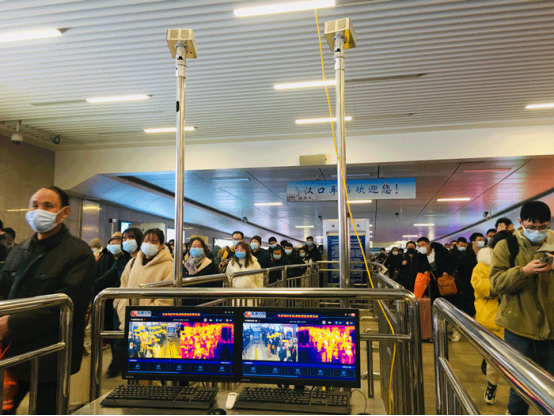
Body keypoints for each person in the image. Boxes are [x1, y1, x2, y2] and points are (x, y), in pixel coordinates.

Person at [0, 187, 95, 415]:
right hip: (13, 351)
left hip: (50, 357)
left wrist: (10, 324)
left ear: (64, 212)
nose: (38, 211)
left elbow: (67, 306)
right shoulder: (20, 250)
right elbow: (5, 289)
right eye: (34, 205)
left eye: (48, 206)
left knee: (46, 410)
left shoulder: (78, 253)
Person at [490, 201, 554, 416]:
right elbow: (497, 283)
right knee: (520, 386)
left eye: (543, 227)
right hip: (518, 327)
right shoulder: (506, 246)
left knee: (551, 387)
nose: (537, 231)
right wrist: (523, 271)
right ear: (520, 222)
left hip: (552, 328)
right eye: (531, 227)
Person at [94, 228, 141, 378]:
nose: (126, 242)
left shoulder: (142, 260)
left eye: (130, 238)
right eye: (125, 239)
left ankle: (123, 364)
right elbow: (110, 276)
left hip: (136, 305)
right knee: (116, 336)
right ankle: (117, 364)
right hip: (120, 303)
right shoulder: (123, 260)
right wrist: (91, 286)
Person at [471, 230, 511, 406]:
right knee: (494, 359)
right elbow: (481, 287)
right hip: (492, 318)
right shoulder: (482, 266)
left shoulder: (519, 263)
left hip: (517, 318)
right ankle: (492, 385)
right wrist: (507, 282)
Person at [114, 229, 174, 330]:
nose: (148, 244)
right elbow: (123, 284)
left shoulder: (168, 266)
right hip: (125, 318)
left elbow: (166, 299)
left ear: (161, 245)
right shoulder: (133, 262)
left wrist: (147, 311)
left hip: (149, 324)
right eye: (146, 241)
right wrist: (119, 304)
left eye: (153, 242)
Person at [417, 236, 459, 341]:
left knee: (450, 307)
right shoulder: (421, 256)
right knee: (436, 308)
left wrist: (447, 272)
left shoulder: (440, 251)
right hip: (434, 286)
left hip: (446, 284)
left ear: (428, 244)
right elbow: (422, 266)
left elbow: (454, 260)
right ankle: (439, 331)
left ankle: (456, 331)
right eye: (419, 246)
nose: (421, 247)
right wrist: (425, 271)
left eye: (423, 245)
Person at [183, 237, 221, 306]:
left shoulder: (210, 265)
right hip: (187, 303)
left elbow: (217, 284)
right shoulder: (185, 265)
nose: (197, 248)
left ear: (203, 248)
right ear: (189, 248)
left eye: (199, 246)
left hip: (206, 303)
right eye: (194, 246)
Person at [456, 232, 486, 317]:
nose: (482, 241)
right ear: (473, 242)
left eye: (482, 240)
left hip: (481, 287)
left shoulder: (485, 256)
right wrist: (463, 287)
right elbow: (459, 273)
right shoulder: (465, 256)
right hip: (468, 289)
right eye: (479, 240)